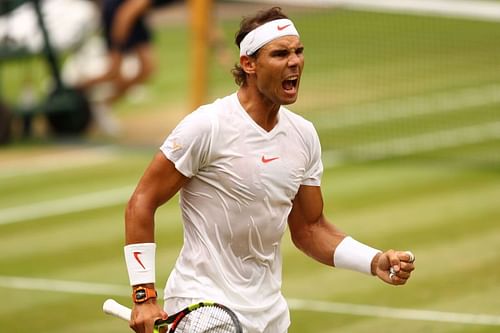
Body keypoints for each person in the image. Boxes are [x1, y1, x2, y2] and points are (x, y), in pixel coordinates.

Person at [123, 7, 416, 333]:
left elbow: (310, 228)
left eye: (298, 51)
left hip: (269, 316)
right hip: (204, 306)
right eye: (280, 54)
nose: (294, 62)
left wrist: (373, 260)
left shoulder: (303, 136)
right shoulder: (207, 126)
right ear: (249, 64)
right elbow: (142, 201)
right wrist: (144, 296)